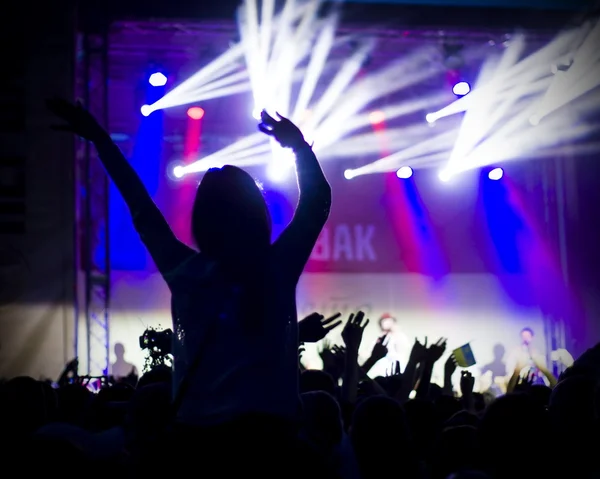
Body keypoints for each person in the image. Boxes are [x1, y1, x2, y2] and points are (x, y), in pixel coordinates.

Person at [47, 100, 331, 474]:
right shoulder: (276, 268)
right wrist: (298, 148)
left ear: (201, 218)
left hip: (195, 444)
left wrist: (101, 139)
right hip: (271, 443)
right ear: (256, 214)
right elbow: (316, 204)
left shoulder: (184, 271)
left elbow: (140, 206)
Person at [369, 313, 411, 378]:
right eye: (385, 321)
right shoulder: (379, 338)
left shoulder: (400, 336)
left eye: (389, 321)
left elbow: (405, 348)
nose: (387, 323)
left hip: (396, 365)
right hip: (381, 367)